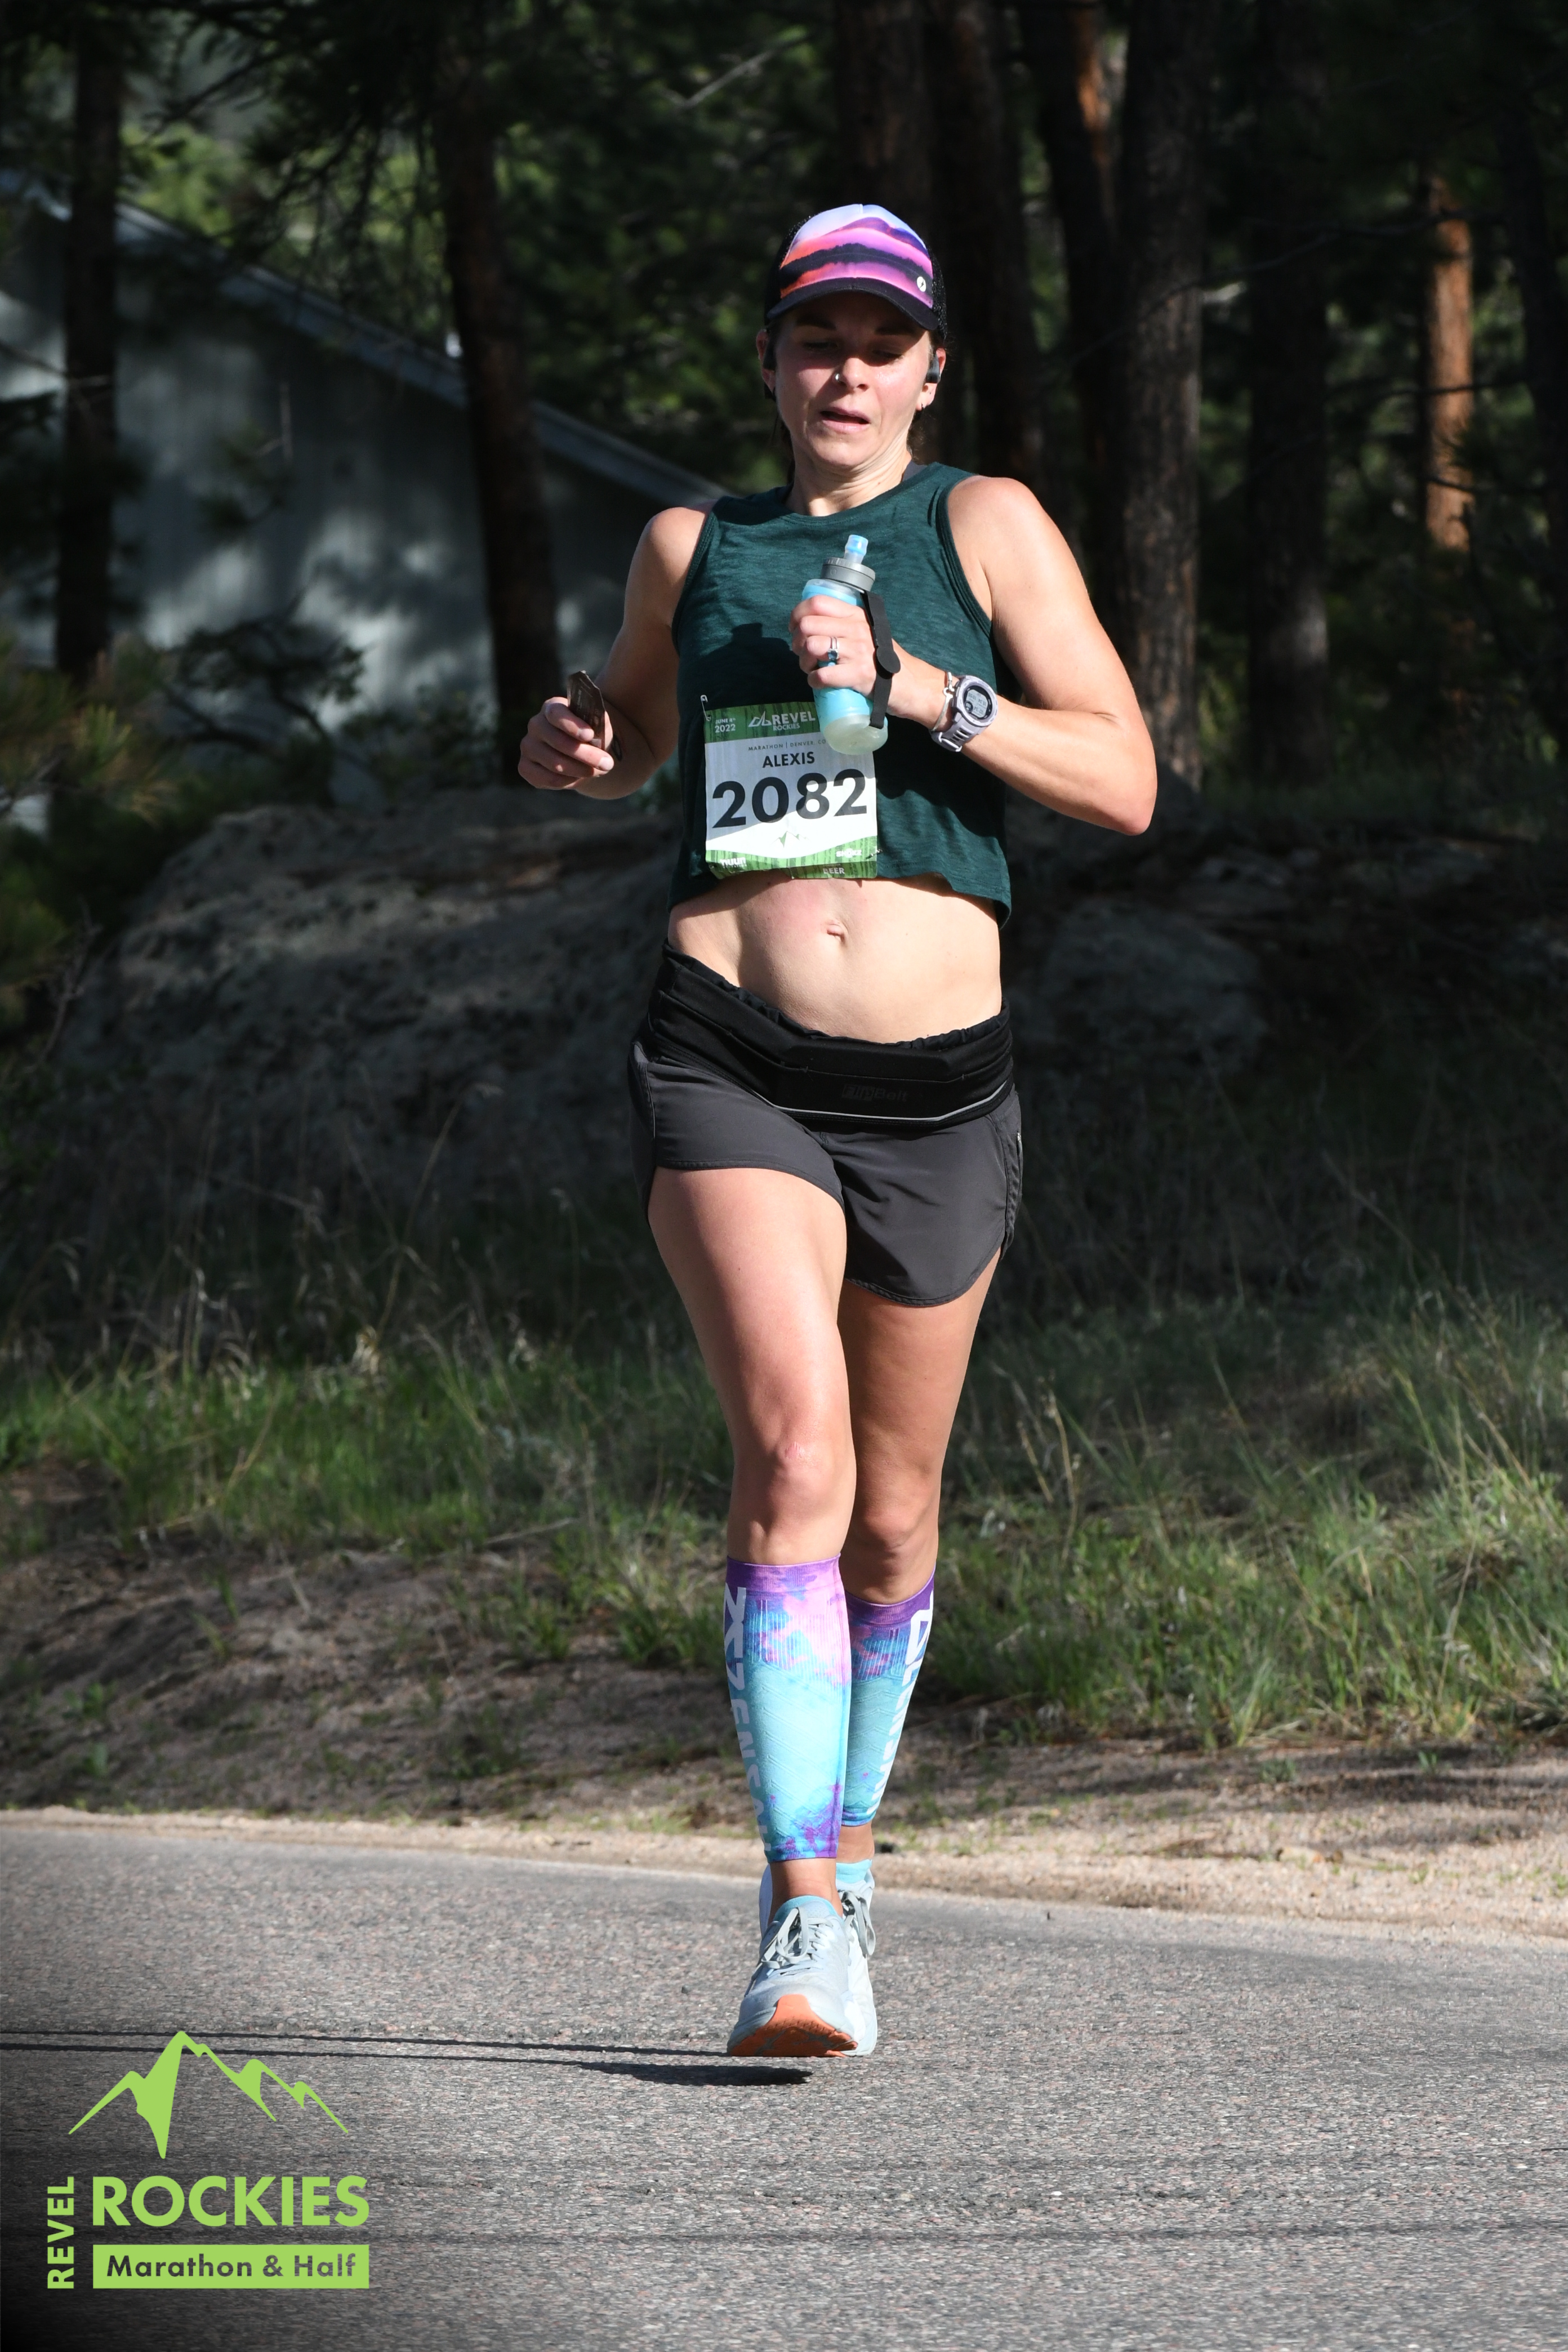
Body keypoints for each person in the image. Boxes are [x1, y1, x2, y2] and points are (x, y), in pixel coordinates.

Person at [519, 202, 1155, 2056]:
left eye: (883, 345)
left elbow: (1121, 776)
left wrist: (919, 688)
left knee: (891, 1519)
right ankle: (802, 1915)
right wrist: (579, 749)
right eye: (819, 342)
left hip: (938, 1089)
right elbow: (634, 735)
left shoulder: (987, 524)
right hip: (729, 1053)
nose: (848, 373)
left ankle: (850, 1862)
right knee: (792, 1456)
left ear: (931, 368)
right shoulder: (692, 547)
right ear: (774, 362)